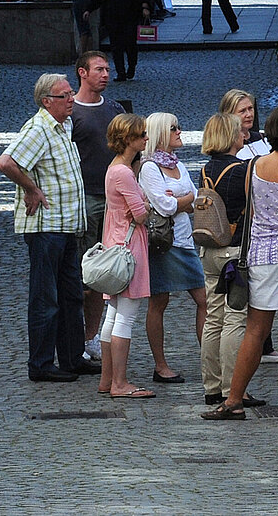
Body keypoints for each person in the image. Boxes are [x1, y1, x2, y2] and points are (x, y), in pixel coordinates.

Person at [205, 104, 278, 422]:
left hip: (262, 255)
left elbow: (252, 210)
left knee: (255, 330)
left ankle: (233, 399)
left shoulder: (253, 167)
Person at [0, 73, 96, 382]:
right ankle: (40, 364)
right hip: (45, 227)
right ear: (46, 101)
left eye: (71, 93)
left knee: (71, 296)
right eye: (65, 95)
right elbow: (5, 162)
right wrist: (31, 188)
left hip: (66, 225)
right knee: (46, 298)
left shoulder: (64, 125)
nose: (71, 99)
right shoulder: (38, 128)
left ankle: (72, 358)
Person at [69, 51, 126, 365]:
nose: (106, 74)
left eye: (108, 69)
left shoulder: (115, 109)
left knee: (107, 273)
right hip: (87, 198)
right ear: (82, 72)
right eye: (99, 69)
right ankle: (74, 337)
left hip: (114, 201)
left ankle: (91, 336)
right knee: (85, 274)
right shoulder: (72, 112)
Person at [139, 113, 203, 385]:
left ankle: (211, 360)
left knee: (205, 300)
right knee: (159, 301)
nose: (179, 131)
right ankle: (161, 365)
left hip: (185, 240)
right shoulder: (149, 168)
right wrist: (183, 201)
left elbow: (196, 199)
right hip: (165, 243)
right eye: (173, 128)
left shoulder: (178, 164)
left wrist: (180, 200)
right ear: (160, 134)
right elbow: (166, 207)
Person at [97, 113, 157, 399]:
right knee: (126, 316)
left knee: (113, 313)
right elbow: (141, 214)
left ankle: (107, 379)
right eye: (141, 134)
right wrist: (146, 203)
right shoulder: (123, 172)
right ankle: (119, 383)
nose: (146, 138)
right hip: (130, 246)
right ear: (128, 138)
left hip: (116, 241)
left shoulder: (115, 169)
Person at [219, 89, 278, 364]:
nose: (248, 114)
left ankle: (265, 343)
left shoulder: (260, 140)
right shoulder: (228, 146)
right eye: (242, 110)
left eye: (250, 109)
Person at [196, 113, 251, 405]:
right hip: (235, 252)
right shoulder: (242, 171)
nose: (245, 134)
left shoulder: (205, 169)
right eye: (240, 131)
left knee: (213, 319)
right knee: (235, 320)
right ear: (231, 136)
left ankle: (212, 386)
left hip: (210, 250)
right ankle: (233, 389)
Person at [101, 0, 149, 81]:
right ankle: (120, 72)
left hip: (129, 16)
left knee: (130, 44)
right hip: (112, 17)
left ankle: (131, 66)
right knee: (116, 46)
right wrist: (88, 9)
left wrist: (145, 7)